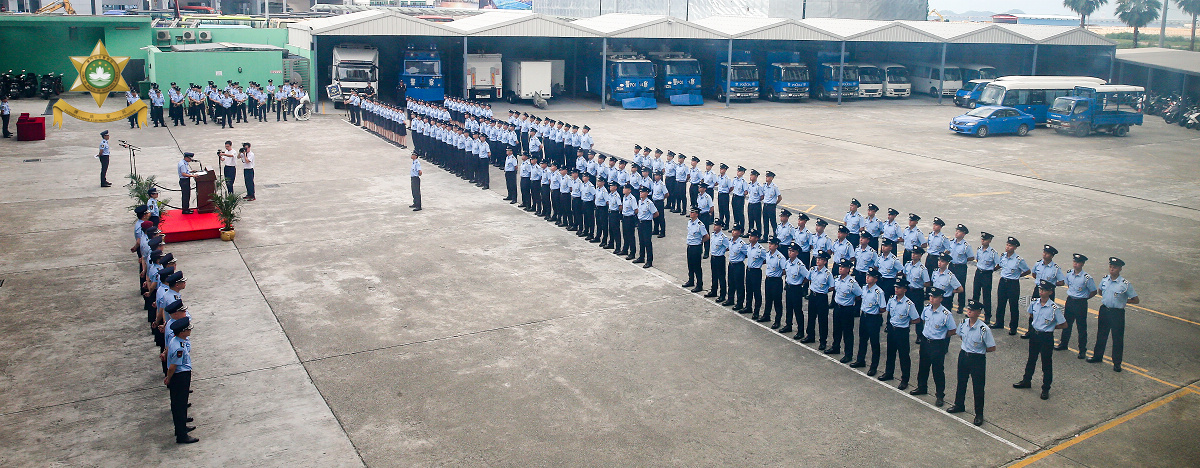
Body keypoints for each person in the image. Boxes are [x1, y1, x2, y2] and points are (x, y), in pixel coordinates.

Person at [1015, 281, 1066, 400]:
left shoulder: (1054, 308)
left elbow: (1064, 324)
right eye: (1040, 289)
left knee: (1046, 363)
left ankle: (1045, 388)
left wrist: (1051, 327)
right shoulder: (1034, 303)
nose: (1041, 291)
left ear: (1050, 292)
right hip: (1035, 335)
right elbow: (1031, 315)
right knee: (1031, 359)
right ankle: (1026, 381)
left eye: (1044, 290)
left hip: (1046, 337)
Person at [948, 300, 996, 426]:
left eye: (972, 310)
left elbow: (991, 347)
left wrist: (979, 350)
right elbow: (961, 336)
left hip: (977, 359)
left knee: (978, 387)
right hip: (964, 355)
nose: (969, 311)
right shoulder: (963, 323)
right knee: (961, 382)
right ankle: (959, 404)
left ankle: (979, 414)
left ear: (979, 312)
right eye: (968, 309)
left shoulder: (984, 329)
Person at [1088, 257, 1138, 372]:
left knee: (1117, 338)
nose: (1112, 269)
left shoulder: (1125, 284)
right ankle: (1097, 356)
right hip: (1105, 310)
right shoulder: (1105, 279)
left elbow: (1136, 299)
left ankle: (1117, 363)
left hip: (1117, 313)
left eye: (1114, 267)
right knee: (1101, 335)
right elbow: (1100, 291)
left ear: (1120, 269)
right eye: (1110, 267)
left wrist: (1124, 301)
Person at [912, 288, 956, 407]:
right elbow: (923, 321)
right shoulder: (926, 309)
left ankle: (940, 395)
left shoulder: (946, 314)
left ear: (941, 299)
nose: (931, 299)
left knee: (937, 370)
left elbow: (952, 330)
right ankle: (922, 387)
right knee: (923, 366)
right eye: (931, 296)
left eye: (934, 297)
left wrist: (941, 336)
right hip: (925, 341)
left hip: (937, 344)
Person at [880, 275, 920, 390]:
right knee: (890, 353)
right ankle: (889, 373)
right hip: (892, 330)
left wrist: (906, 322)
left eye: (899, 288)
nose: (896, 289)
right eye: (895, 287)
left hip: (902, 331)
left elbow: (917, 319)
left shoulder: (909, 304)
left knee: (904, 356)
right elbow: (889, 312)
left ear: (905, 290)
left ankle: (905, 380)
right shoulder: (892, 299)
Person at [165, 316, 198, 444]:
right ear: (182, 332)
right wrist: (168, 378)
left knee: (180, 404)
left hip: (180, 375)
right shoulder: (178, 347)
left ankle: (182, 427)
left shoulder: (176, 340)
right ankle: (181, 435)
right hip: (180, 377)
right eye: (188, 329)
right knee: (179, 405)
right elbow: (173, 366)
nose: (190, 330)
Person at [1057, 253, 1097, 356]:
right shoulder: (1069, 273)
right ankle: (1063, 343)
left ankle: (1082, 350)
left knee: (1081, 327)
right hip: (1070, 301)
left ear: (1082, 264)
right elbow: (1069, 285)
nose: (1075, 264)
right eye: (1074, 261)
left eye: (1078, 262)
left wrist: (1084, 298)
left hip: (1080, 303)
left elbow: (1093, 291)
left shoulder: (1087, 278)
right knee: (1066, 324)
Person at [993, 236, 1031, 335]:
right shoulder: (1003, 256)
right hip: (1003, 282)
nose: (1007, 247)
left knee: (1013, 306)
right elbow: (1000, 265)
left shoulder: (1019, 260)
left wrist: (1018, 276)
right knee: (1001, 304)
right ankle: (999, 322)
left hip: (1013, 284)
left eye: (1010, 245)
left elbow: (1027, 271)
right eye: (1007, 245)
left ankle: (1013, 327)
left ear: (1015, 247)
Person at [828, 259, 863, 363]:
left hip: (847, 309)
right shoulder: (837, 279)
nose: (840, 269)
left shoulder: (852, 283)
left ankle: (848, 354)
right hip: (838, 307)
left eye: (843, 267)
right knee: (836, 329)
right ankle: (835, 347)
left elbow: (859, 295)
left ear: (848, 269)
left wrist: (851, 301)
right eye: (840, 267)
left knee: (847, 332)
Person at [852, 268, 886, 374]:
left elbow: (883, 308)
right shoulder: (864, 288)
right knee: (862, 339)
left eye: (870, 276)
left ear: (875, 279)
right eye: (867, 275)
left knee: (874, 342)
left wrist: (874, 312)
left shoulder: (879, 292)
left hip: (873, 318)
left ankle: (873, 366)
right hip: (864, 316)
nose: (867, 278)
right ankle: (860, 360)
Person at [803, 251, 835, 349]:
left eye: (820, 259)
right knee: (811, 317)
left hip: (821, 297)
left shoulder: (827, 274)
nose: (818, 261)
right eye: (817, 259)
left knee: (822, 320)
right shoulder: (813, 270)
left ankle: (823, 341)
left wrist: (824, 290)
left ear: (825, 261)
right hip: (813, 295)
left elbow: (832, 287)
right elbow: (808, 278)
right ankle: (810, 335)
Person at [782, 243, 809, 338]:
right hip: (789, 287)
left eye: (792, 251)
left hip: (796, 289)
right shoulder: (787, 262)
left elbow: (808, 276)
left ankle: (800, 331)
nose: (790, 252)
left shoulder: (800, 265)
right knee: (789, 308)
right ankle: (788, 325)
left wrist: (801, 282)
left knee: (797, 310)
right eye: (789, 250)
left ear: (797, 253)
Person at [972, 232, 1000, 322]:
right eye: (982, 239)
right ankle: (973, 311)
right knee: (975, 293)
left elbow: (999, 264)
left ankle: (987, 316)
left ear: (989, 241)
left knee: (986, 296)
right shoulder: (979, 249)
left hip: (987, 274)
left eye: (985, 240)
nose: (982, 241)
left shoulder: (993, 252)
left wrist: (991, 270)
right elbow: (977, 259)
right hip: (978, 273)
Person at [760, 238, 788, 327]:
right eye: (769, 244)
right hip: (768, 279)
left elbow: (785, 270)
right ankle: (766, 315)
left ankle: (777, 320)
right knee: (768, 299)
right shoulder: (768, 254)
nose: (769, 245)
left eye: (772, 244)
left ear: (776, 246)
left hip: (776, 281)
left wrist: (777, 274)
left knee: (777, 301)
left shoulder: (780, 257)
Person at [682, 208, 708, 293]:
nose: (691, 213)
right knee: (690, 265)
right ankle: (691, 280)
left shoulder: (700, 225)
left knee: (697, 266)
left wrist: (700, 242)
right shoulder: (689, 222)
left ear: (697, 214)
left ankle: (699, 284)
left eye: (693, 212)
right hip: (690, 246)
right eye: (691, 212)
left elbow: (706, 236)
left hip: (696, 247)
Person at [741, 231, 766, 317]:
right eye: (750, 236)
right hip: (749, 270)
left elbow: (767, 259)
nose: (750, 237)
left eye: (752, 236)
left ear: (757, 238)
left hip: (756, 271)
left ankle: (756, 311)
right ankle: (748, 307)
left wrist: (759, 263)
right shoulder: (748, 247)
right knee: (748, 290)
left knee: (756, 291)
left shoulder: (760, 249)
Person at [948, 224, 972, 312]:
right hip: (951, 266)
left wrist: (962, 260)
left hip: (960, 267)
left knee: (960, 285)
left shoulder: (966, 245)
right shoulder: (951, 242)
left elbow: (971, 257)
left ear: (963, 234)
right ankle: (949, 302)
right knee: (950, 284)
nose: (956, 233)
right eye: (956, 231)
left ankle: (961, 305)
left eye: (959, 232)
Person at [634, 187, 658, 268]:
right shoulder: (640, 201)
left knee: (647, 242)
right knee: (641, 241)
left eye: (643, 192)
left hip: (646, 223)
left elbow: (656, 213)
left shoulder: (649, 203)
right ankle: (641, 257)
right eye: (640, 192)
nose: (641, 193)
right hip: (640, 222)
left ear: (647, 193)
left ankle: (649, 261)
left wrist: (649, 218)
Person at [724, 225, 747, 309]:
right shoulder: (730, 241)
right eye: (733, 230)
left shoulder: (741, 244)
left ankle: (740, 303)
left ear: (739, 232)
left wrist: (740, 258)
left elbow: (747, 254)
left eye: (736, 230)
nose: (734, 232)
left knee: (739, 284)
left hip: (738, 265)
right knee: (731, 283)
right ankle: (730, 299)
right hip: (731, 264)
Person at [706, 221, 730, 299]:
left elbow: (728, 247)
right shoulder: (713, 234)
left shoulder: (723, 237)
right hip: (713, 257)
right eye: (714, 225)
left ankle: (722, 294)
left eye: (716, 225)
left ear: (720, 227)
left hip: (720, 258)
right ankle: (714, 291)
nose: (714, 226)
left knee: (721, 277)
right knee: (714, 275)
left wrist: (721, 251)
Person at [761, 171, 781, 239]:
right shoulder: (764, 186)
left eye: (768, 177)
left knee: (773, 222)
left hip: (771, 206)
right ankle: (765, 236)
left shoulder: (774, 187)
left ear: (772, 178)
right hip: (765, 205)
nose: (766, 178)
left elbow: (779, 197)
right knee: (765, 221)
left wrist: (775, 204)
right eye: (766, 176)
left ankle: (776, 236)